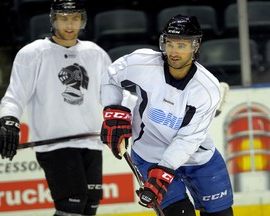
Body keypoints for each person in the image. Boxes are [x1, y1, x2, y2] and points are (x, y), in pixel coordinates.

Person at [100, 14, 234, 216]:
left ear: (195, 46)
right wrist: (113, 110)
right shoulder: (143, 63)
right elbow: (111, 76)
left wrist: (164, 172)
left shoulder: (207, 88)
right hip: (149, 154)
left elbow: (188, 138)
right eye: (170, 44)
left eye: (181, 45)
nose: (173, 51)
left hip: (197, 158)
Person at [0, 0, 112, 215]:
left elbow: (112, 96)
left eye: (75, 18)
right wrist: (9, 121)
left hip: (91, 142)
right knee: (71, 206)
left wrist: (138, 109)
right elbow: (15, 96)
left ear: (83, 21)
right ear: (53, 20)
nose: (70, 24)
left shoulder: (95, 53)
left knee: (89, 207)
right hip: (55, 144)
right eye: (63, 18)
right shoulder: (33, 53)